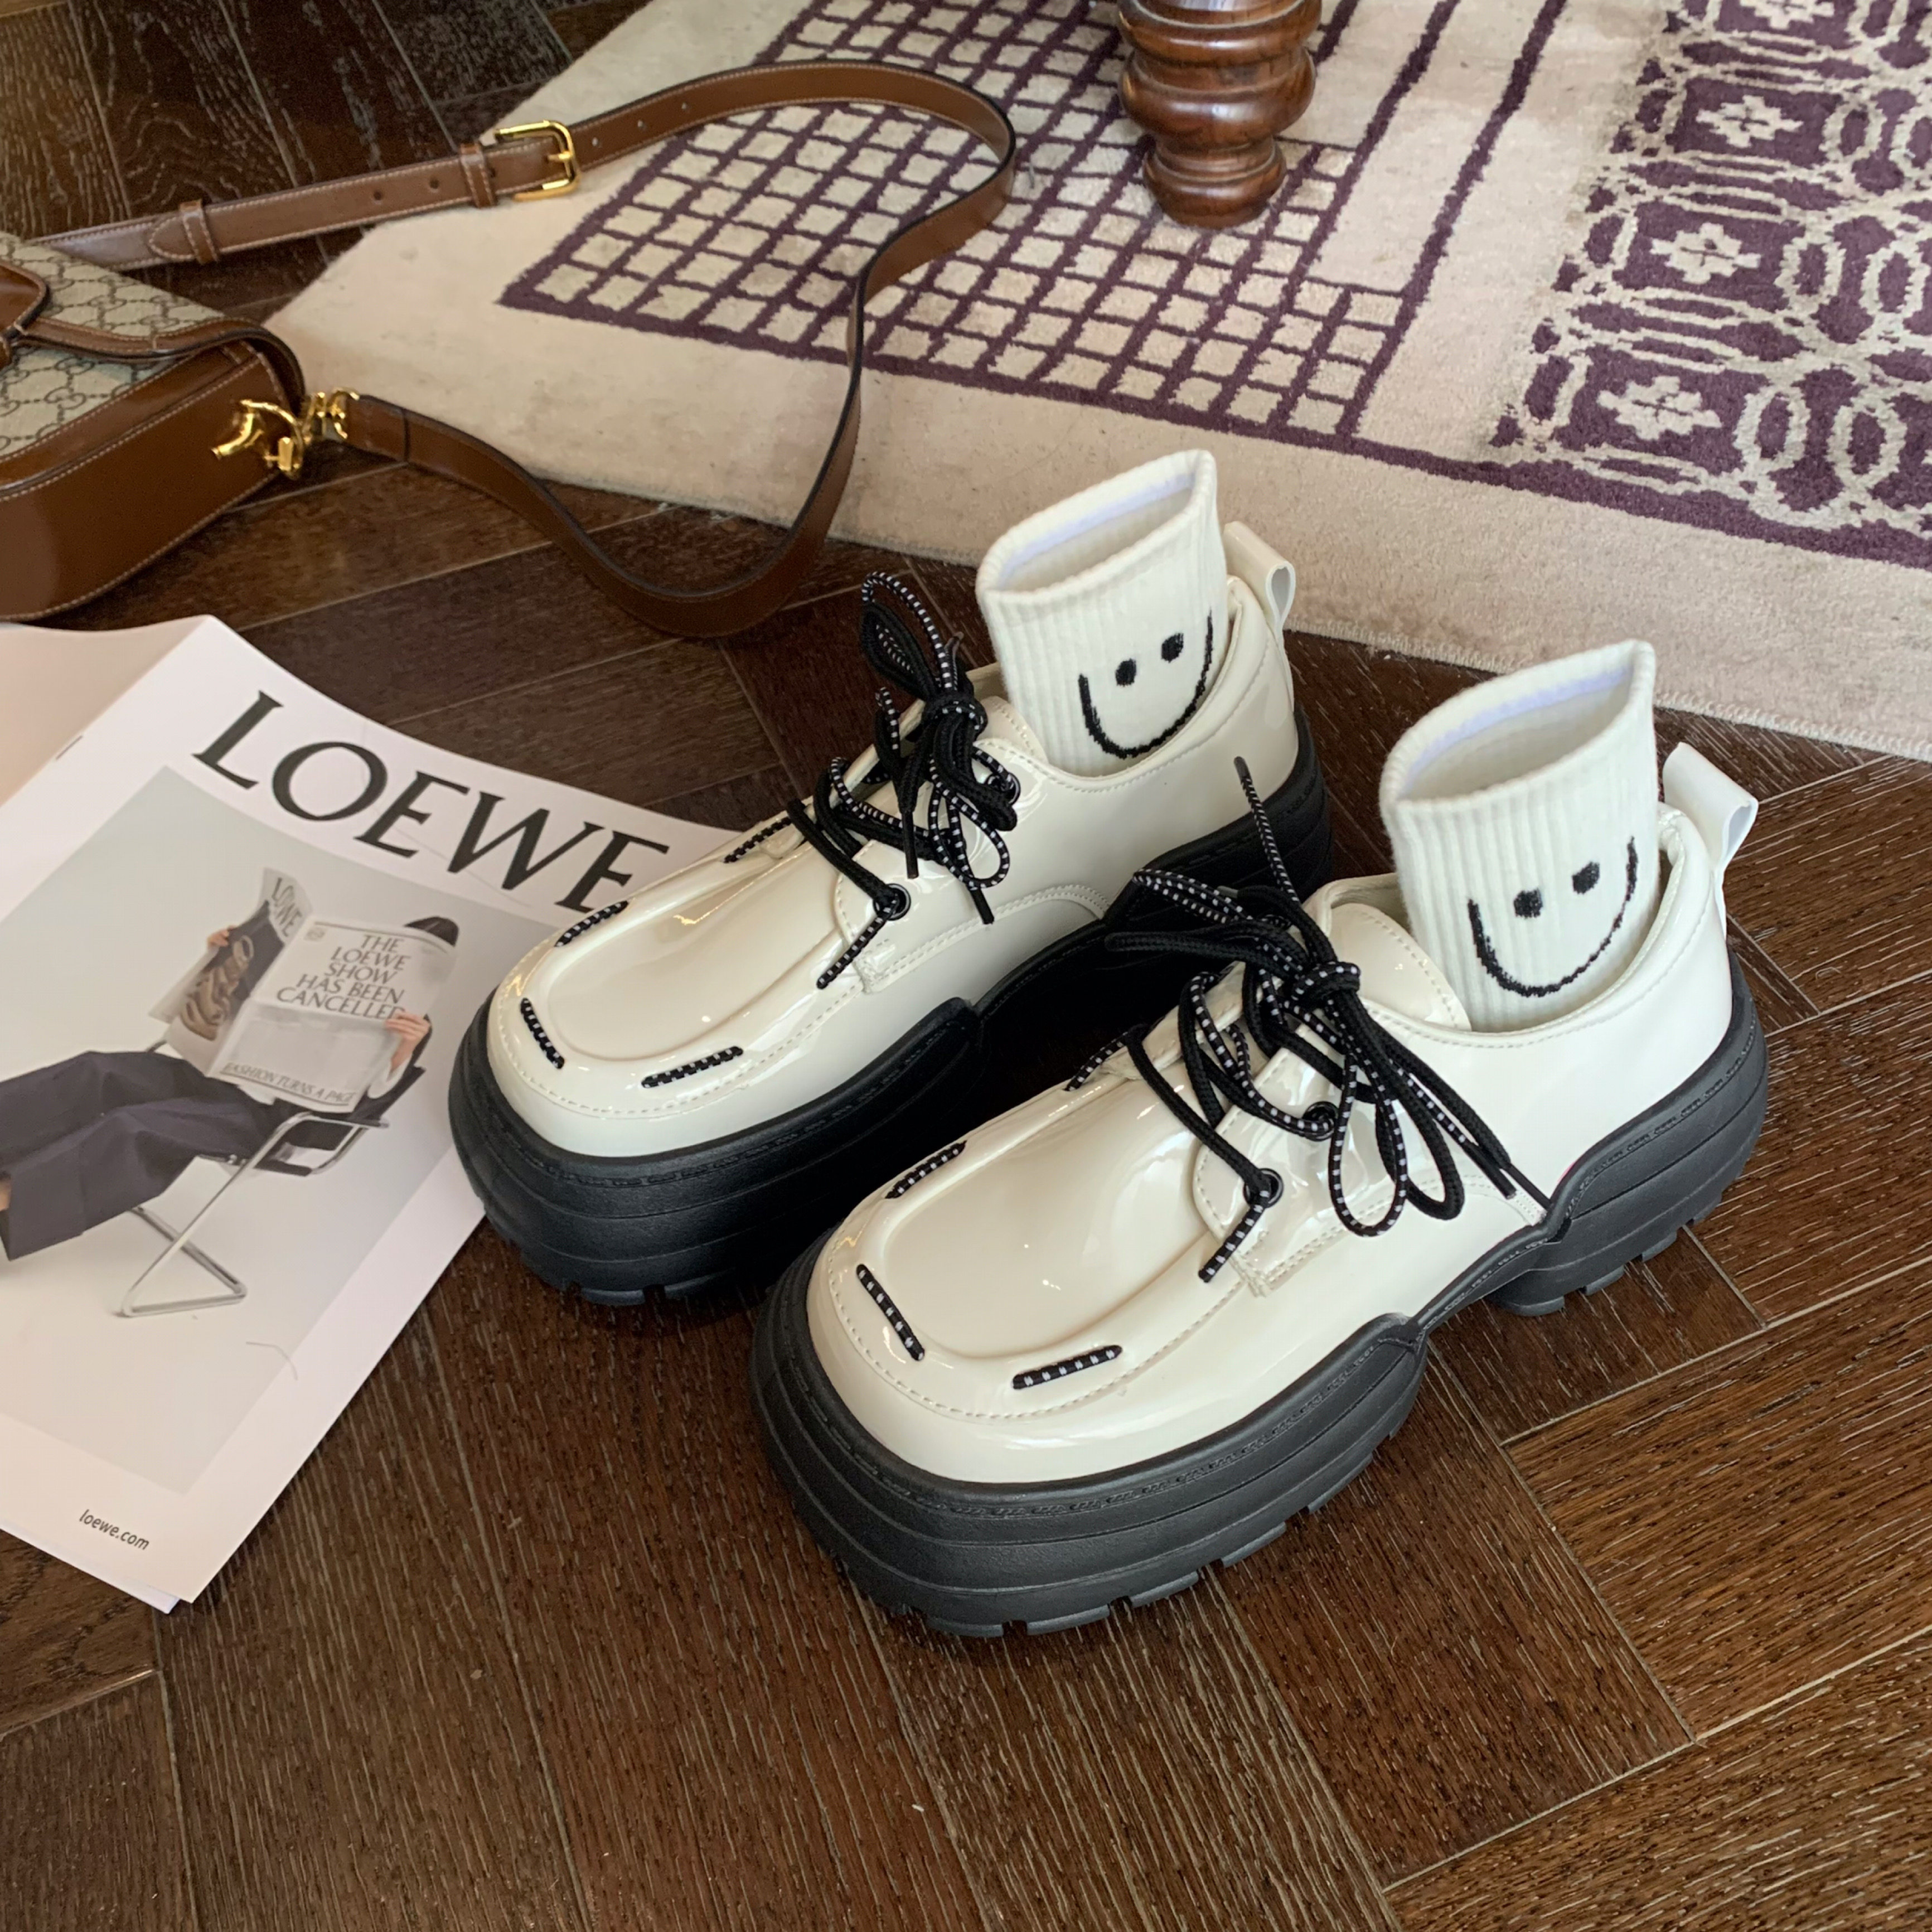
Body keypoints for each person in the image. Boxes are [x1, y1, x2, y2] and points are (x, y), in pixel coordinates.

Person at [0, 916, 456, 1262]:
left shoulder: (413, 1026)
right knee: (95, 1069)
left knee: (133, 1125)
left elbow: (364, 1104)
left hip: (264, 1121)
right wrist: (221, 956)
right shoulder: (309, 975)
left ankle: (10, 1199)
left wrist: (402, 1050)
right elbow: (215, 1011)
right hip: (210, 1076)